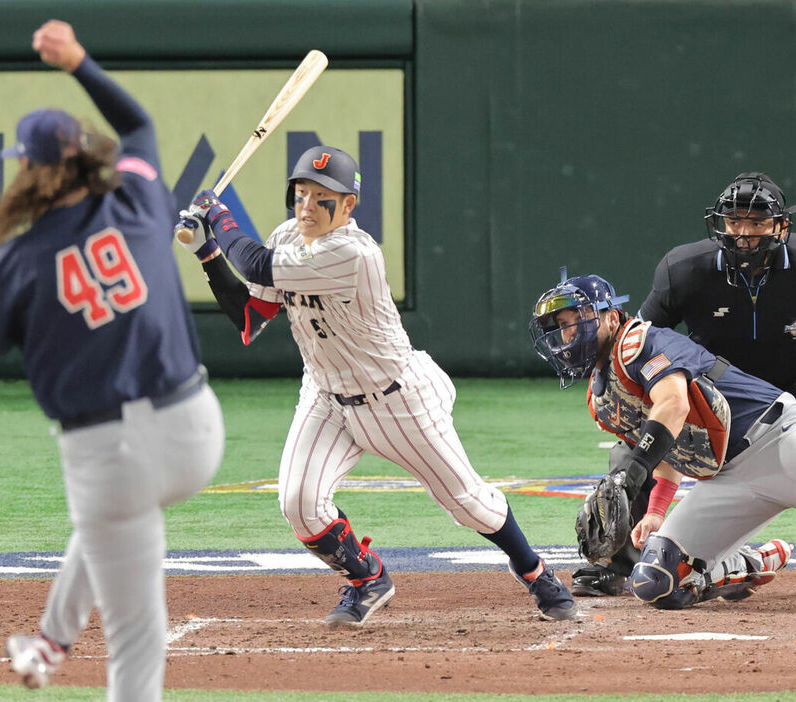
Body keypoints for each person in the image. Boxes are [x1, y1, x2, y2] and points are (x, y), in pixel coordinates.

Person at [0, 20, 224, 701]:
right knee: (108, 528)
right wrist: (78, 62)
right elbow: (138, 123)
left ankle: (51, 645)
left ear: (33, 171)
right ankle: (48, 641)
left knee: (133, 626)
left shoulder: (16, 261)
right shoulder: (136, 198)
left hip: (109, 458)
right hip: (195, 432)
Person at [172, 145, 577, 624]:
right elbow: (249, 317)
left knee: (471, 505)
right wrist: (207, 251)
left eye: (322, 197)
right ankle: (366, 577)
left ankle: (535, 571)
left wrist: (220, 215)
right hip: (325, 394)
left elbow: (258, 265)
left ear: (348, 206)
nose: (307, 205)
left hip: (394, 399)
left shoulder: (354, 253)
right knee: (299, 503)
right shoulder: (287, 236)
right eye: (301, 193)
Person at [571, 172, 796, 598]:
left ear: (781, 225)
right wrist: (655, 504)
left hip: (778, 418)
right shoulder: (685, 270)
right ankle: (616, 562)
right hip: (713, 405)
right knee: (637, 439)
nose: (743, 233)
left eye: (756, 222)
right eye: (734, 221)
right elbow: (636, 350)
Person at [529, 272, 794, 609]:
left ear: (610, 318)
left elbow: (674, 404)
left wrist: (634, 473)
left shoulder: (637, 342)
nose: (564, 336)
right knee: (656, 582)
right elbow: (672, 444)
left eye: (571, 322)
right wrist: (656, 510)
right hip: (728, 482)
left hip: (776, 439)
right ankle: (748, 562)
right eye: (558, 328)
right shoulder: (602, 398)